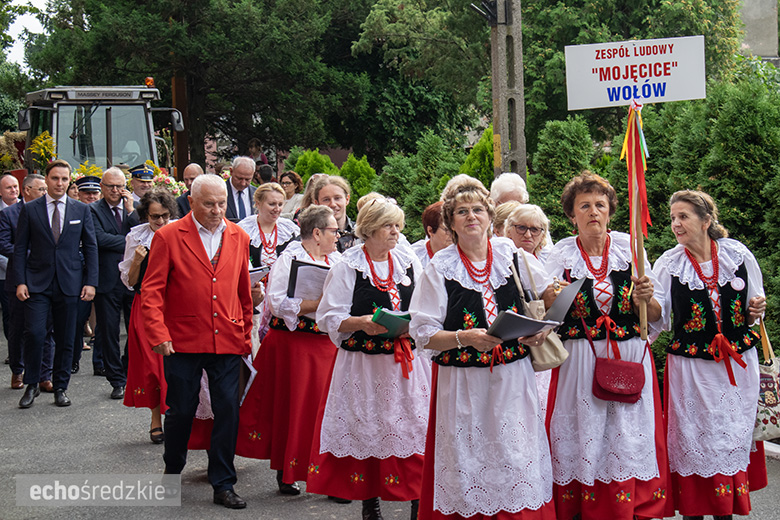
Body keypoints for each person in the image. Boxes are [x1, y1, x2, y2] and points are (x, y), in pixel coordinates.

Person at [408, 174, 554, 520]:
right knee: (468, 460)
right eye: (461, 212)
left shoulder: (511, 255)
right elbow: (423, 333)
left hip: (514, 379)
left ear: (491, 216)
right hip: (464, 385)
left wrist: (539, 333)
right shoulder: (440, 267)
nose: (471, 216)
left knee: (516, 455)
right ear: (451, 223)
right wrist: (465, 337)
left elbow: (545, 299)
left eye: (478, 209)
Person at [542, 171, 667, 520]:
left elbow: (656, 315)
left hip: (627, 354)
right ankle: (584, 507)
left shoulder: (631, 247)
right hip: (579, 359)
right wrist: (551, 297)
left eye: (600, 204)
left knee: (626, 434)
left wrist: (648, 297)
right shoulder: (561, 254)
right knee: (584, 431)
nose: (593, 211)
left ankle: (630, 507)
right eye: (585, 205)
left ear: (610, 211)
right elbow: (549, 315)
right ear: (572, 215)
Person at [309, 196, 431, 520]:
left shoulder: (407, 261)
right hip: (365, 365)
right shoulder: (348, 266)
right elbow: (328, 317)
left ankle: (418, 502)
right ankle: (370, 503)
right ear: (371, 228)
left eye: (397, 225)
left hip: (405, 363)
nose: (396, 231)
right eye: (389, 225)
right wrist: (362, 323)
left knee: (415, 428)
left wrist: (413, 322)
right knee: (369, 429)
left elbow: (424, 306)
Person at [652, 190, 768, 520]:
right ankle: (693, 513)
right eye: (673, 217)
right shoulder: (669, 264)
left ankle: (724, 513)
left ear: (706, 221)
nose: (676, 223)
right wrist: (642, 300)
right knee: (694, 444)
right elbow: (657, 319)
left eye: (683, 216)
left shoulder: (737, 255)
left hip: (736, 367)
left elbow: (753, 309)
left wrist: (756, 309)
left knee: (729, 441)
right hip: (691, 371)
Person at [141, 174, 254, 509]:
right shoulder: (169, 236)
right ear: (190, 202)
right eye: (209, 204)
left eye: (221, 203)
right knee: (182, 411)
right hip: (182, 340)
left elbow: (241, 291)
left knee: (228, 411)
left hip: (228, 340)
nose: (217, 210)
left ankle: (223, 482)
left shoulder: (238, 236)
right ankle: (172, 471)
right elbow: (151, 291)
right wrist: (158, 334)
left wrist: (246, 333)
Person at [236, 205, 342, 495]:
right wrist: (320, 302)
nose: (338, 235)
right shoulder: (290, 257)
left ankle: (331, 477)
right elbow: (277, 303)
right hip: (294, 344)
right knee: (294, 409)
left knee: (329, 412)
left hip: (327, 345)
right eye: (333, 230)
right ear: (317, 233)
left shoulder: (339, 259)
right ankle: (287, 470)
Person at [14, 160, 98, 408]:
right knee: (36, 333)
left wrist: (91, 282)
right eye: (54, 178)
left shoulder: (81, 210)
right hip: (37, 283)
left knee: (66, 337)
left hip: (70, 283)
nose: (59, 183)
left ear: (69, 181)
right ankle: (32, 384)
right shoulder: (30, 210)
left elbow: (91, 247)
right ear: (46, 181)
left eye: (64, 179)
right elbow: (20, 249)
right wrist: (20, 281)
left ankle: (61, 387)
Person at [120, 188, 178, 443]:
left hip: (175, 305)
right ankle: (156, 420)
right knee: (152, 367)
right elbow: (129, 282)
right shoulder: (136, 237)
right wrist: (136, 261)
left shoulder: (179, 232)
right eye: (155, 217)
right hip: (144, 305)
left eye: (165, 216)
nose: (161, 222)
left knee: (175, 367)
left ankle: (177, 418)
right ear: (146, 216)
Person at [0, 174, 53, 390]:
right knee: (19, 328)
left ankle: (44, 375)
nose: (44, 193)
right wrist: (32, 254)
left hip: (46, 278)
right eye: (41, 189)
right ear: (27, 190)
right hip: (19, 278)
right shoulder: (9, 214)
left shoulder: (50, 212)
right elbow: (3, 244)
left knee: (47, 329)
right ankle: (18, 370)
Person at [90, 167, 139, 400]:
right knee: (108, 332)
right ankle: (116, 379)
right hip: (107, 280)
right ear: (102, 187)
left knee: (135, 330)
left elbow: (144, 233)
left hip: (132, 279)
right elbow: (98, 239)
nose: (115, 191)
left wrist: (131, 211)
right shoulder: (93, 210)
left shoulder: (131, 211)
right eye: (110, 186)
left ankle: (127, 368)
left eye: (119, 186)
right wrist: (130, 242)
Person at [70, 175, 102, 374]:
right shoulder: (74, 211)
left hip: (104, 271)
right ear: (79, 194)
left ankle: (100, 363)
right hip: (79, 272)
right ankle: (73, 358)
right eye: (86, 193)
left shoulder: (104, 211)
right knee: (76, 318)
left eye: (94, 193)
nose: (91, 197)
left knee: (104, 322)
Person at [237, 183, 300, 271]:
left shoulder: (289, 229)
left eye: (280, 204)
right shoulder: (245, 228)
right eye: (272, 204)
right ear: (258, 204)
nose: (277, 209)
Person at [313, 175, 358, 252]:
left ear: (347, 199)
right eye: (326, 200)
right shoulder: (311, 238)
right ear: (317, 203)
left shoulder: (361, 234)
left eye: (337, 198)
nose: (333, 204)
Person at [410, 201, 451, 269]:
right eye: (447, 230)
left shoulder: (466, 254)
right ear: (430, 231)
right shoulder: (415, 256)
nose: (453, 234)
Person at [225, 156, 257, 221]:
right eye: (239, 178)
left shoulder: (257, 193)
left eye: (247, 179)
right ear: (231, 171)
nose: (243, 183)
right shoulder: (220, 191)